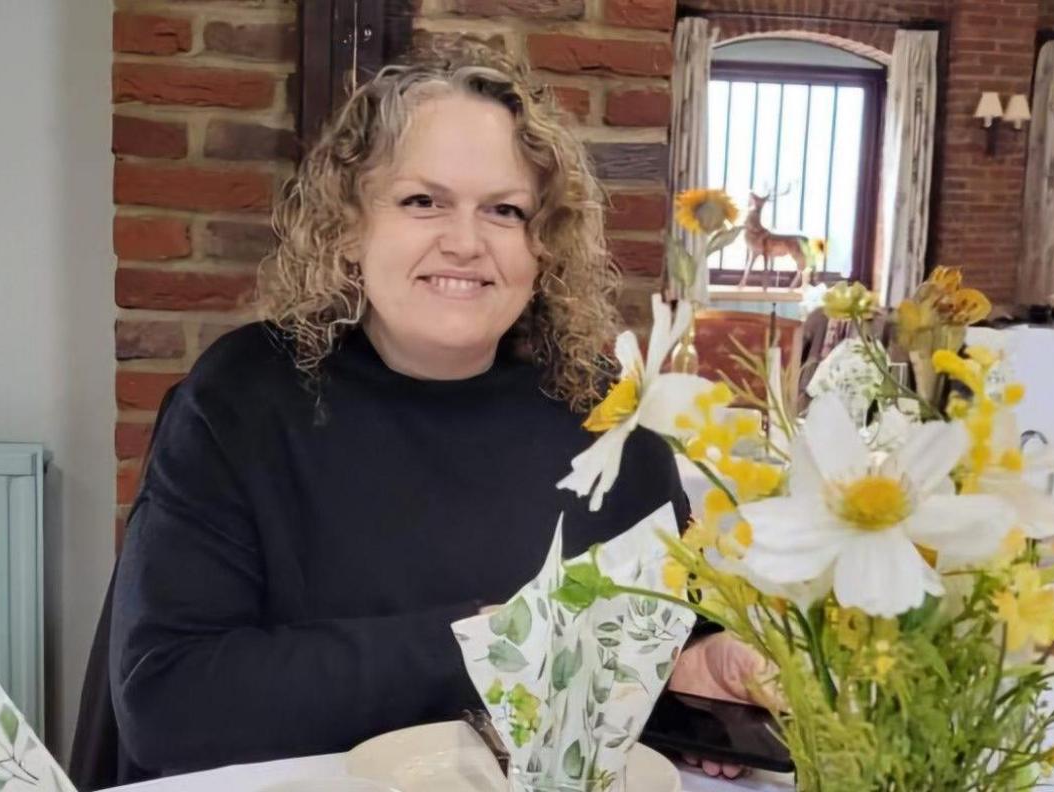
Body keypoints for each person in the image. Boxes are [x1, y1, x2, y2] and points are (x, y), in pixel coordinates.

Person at [106, 48, 758, 784]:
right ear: (348, 226)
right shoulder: (244, 399)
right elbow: (170, 704)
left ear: (542, 246)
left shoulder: (605, 414)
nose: (466, 241)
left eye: (505, 211)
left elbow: (652, 657)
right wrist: (493, 643)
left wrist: (699, 676)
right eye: (423, 201)